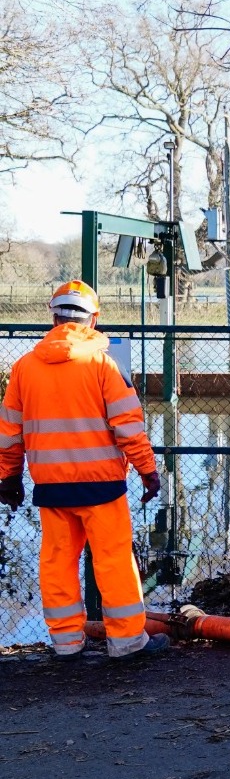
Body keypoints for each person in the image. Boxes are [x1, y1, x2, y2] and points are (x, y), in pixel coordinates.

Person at [0, 280, 167, 659]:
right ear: (93, 319)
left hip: (51, 489)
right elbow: (128, 427)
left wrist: (9, 477)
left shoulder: (24, 368)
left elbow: (9, 434)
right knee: (114, 561)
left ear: (54, 317)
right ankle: (127, 642)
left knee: (57, 562)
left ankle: (66, 643)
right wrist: (147, 471)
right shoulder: (104, 366)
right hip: (102, 488)